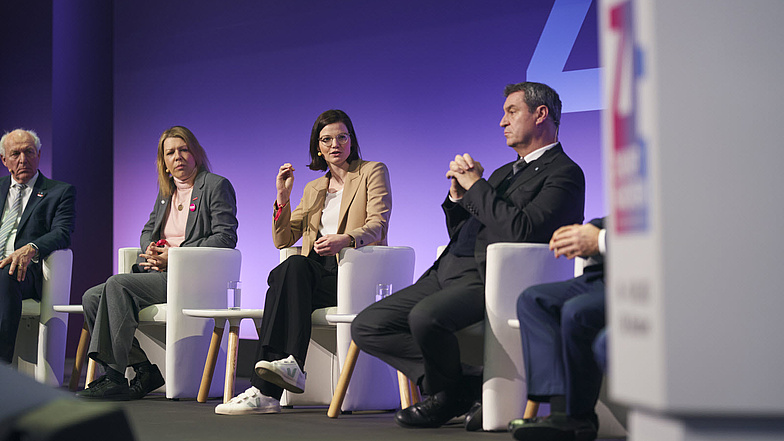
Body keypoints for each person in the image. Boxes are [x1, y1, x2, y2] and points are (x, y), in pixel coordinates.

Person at [351, 82, 586, 429]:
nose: (502, 122)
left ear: (541, 115)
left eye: (511, 111)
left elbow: (523, 232)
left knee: (425, 318)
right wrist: (460, 198)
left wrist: (478, 186)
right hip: (447, 270)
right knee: (367, 326)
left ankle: (446, 395)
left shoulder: (565, 173)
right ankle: (463, 386)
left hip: (492, 278)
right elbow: (472, 230)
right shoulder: (505, 172)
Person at [215, 109, 392, 415]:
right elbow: (283, 239)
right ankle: (283, 374)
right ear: (318, 148)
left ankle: (264, 389)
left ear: (351, 140)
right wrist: (282, 196)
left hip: (354, 271)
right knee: (288, 268)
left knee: (285, 277)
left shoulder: (371, 171)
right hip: (315, 274)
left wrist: (346, 239)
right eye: (326, 139)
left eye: (341, 137)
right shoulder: (314, 188)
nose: (335, 144)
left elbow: (378, 224)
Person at [78, 126, 238, 400]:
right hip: (162, 274)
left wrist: (175, 255)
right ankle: (144, 370)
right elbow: (146, 230)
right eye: (170, 152)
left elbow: (225, 237)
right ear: (163, 162)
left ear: (196, 153)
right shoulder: (166, 193)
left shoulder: (214, 185)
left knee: (116, 284)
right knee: (92, 297)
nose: (178, 156)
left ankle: (115, 376)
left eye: (183, 149)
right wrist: (150, 248)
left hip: (190, 277)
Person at [509, 218, 606, 441]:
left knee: (576, 311)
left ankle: (580, 417)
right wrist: (585, 232)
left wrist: (600, 240)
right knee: (533, 299)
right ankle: (560, 410)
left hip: (640, 278)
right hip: (603, 274)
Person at [0, 129, 76, 364]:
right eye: (15, 154)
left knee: (6, 273)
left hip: (27, 272)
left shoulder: (59, 192)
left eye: (29, 152)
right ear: (4, 159)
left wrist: (31, 246)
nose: (22, 159)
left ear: (39, 155)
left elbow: (62, 233)